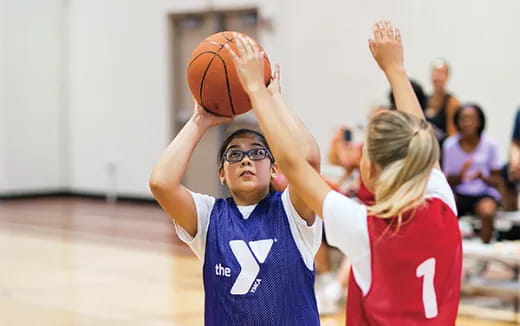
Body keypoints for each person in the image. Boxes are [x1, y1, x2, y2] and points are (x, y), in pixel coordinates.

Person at [226, 21, 462, 325]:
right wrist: (396, 70)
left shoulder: (367, 231)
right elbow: (420, 139)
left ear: (373, 169)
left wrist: (257, 93)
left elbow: (295, 167)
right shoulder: (443, 204)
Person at [149, 65, 322, 325]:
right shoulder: (209, 217)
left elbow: (307, 159)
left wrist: (272, 99)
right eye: (234, 154)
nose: (246, 160)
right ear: (222, 173)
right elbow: (161, 183)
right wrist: (199, 120)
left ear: (275, 169)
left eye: (257, 152)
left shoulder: (291, 211)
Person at [443, 104, 502, 243]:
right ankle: (448, 248)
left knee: (487, 212)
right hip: (459, 192)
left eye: (472, 119)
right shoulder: (449, 145)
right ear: (457, 121)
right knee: (444, 211)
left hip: (482, 193)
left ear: (479, 121)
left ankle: (485, 254)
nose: (467, 123)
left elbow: (497, 179)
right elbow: (446, 180)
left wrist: (482, 177)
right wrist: (461, 176)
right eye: (463, 119)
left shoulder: (490, 144)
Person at [426, 58, 460, 143]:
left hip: (443, 151)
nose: (438, 76)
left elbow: (453, 134)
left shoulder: (452, 102)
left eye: (441, 73)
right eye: (435, 72)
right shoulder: (424, 100)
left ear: (447, 76)